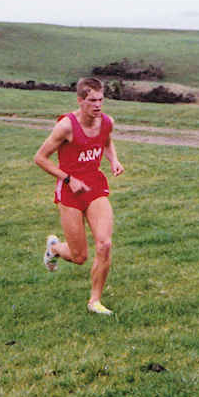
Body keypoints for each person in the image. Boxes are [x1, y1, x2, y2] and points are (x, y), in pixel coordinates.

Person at [33, 77, 125, 316]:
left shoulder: (106, 122)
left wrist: (113, 159)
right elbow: (40, 158)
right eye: (92, 101)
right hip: (70, 191)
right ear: (80, 100)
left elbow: (106, 141)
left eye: (101, 100)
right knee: (79, 256)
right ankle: (54, 249)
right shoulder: (66, 126)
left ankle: (95, 301)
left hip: (94, 186)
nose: (98, 105)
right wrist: (68, 179)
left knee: (104, 244)